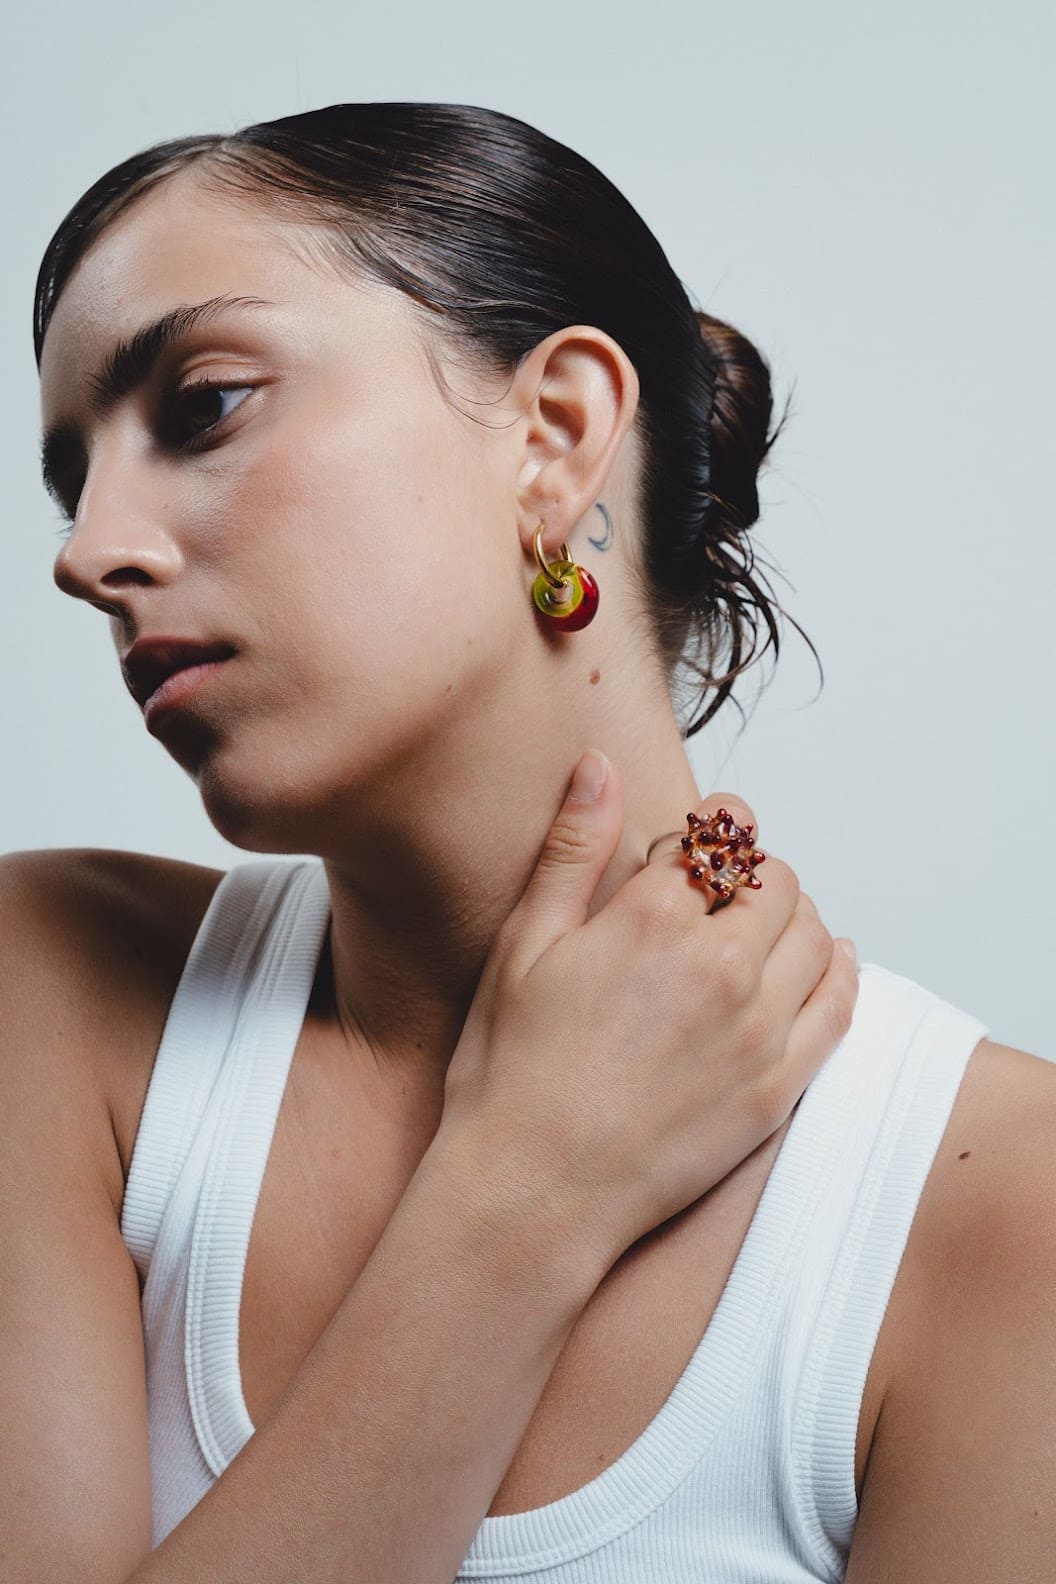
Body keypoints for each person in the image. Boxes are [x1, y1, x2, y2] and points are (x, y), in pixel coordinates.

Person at [6, 101, 1052, 1583]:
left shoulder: (1005, 1209)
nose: (87, 553)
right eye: (74, 477)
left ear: (556, 435)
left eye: (205, 407)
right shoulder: (52, 998)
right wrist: (525, 1195)